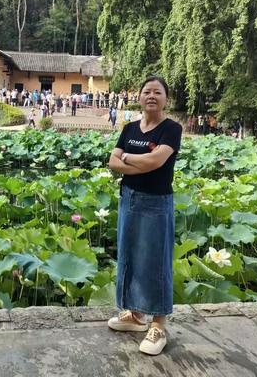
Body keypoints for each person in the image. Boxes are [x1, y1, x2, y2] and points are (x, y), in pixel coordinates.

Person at [107, 75, 182, 356]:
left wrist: (128, 159)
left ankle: (159, 324)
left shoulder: (170, 129)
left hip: (156, 202)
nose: (152, 96)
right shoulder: (128, 128)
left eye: (158, 92)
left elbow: (156, 161)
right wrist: (136, 163)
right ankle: (136, 315)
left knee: (156, 260)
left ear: (166, 99)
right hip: (129, 198)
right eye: (147, 91)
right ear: (139, 97)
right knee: (128, 255)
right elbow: (113, 162)